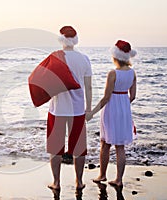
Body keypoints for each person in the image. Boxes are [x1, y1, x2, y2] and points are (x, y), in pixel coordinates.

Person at [47, 26, 92, 191]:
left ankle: (56, 183)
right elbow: (88, 87)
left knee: (55, 148)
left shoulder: (55, 57)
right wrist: (88, 108)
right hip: (78, 110)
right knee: (79, 148)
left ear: (61, 39)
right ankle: (79, 182)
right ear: (76, 39)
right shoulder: (84, 59)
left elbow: (46, 82)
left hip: (57, 109)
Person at [86, 40, 137, 187]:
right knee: (120, 146)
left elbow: (106, 97)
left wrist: (92, 113)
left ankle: (102, 175)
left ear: (115, 56)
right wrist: (123, 106)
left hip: (111, 109)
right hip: (124, 110)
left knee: (105, 143)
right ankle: (119, 179)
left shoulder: (113, 74)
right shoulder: (133, 73)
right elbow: (132, 96)